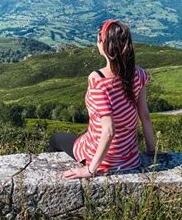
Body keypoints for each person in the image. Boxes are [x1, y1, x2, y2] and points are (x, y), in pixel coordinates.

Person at [47, 19, 156, 180]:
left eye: (99, 38)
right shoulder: (139, 74)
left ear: (105, 45)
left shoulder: (98, 80)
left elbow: (109, 130)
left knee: (56, 138)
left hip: (105, 161)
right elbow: (145, 116)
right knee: (83, 134)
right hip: (131, 159)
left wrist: (90, 170)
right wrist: (152, 153)